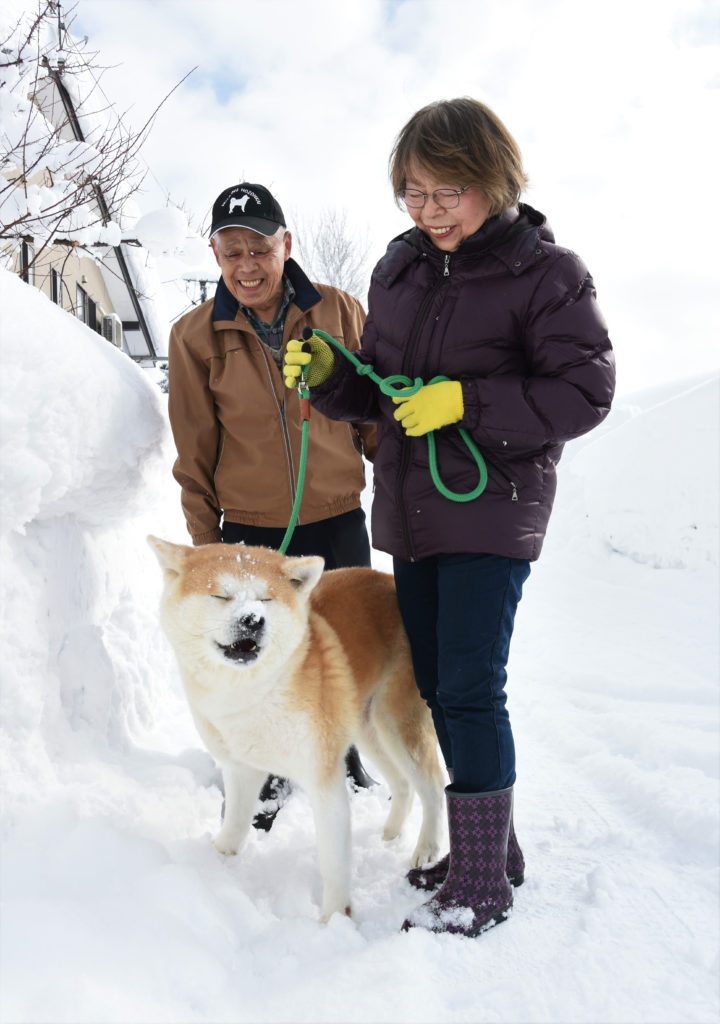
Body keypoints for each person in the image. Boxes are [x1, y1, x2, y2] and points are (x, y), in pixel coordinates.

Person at [284, 99, 615, 936]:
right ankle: (491, 851)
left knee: (469, 690)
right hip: (412, 511)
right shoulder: (398, 269)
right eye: (413, 193)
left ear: (495, 180)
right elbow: (383, 394)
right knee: (434, 685)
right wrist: (331, 373)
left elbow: (585, 393)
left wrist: (467, 401)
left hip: (490, 511)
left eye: (448, 192)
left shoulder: (548, 273)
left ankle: (480, 884)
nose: (428, 212)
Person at [168, 182, 378, 830]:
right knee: (255, 656)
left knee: (341, 650)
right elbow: (195, 451)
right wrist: (209, 552)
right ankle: (260, 776)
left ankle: (341, 757)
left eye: (259, 247)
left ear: (286, 245)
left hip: (337, 516)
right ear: (215, 255)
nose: (247, 264)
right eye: (232, 252)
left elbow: (373, 414)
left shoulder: (340, 312)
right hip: (252, 532)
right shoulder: (195, 336)